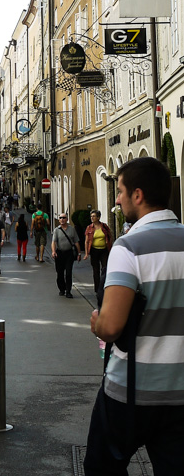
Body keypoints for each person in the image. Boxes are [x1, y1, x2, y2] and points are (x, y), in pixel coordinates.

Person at [84, 157, 184, 476]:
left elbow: (111, 327)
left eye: (120, 191)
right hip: (180, 391)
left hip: (131, 391)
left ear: (137, 195)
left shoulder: (129, 247)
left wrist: (97, 323)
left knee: (101, 468)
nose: (117, 199)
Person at [51, 213, 81, 298]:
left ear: (67, 219)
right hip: (59, 253)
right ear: (59, 220)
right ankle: (62, 289)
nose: (62, 219)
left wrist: (79, 253)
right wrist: (53, 251)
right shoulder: (57, 230)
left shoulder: (72, 229)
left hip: (69, 253)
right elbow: (54, 242)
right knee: (60, 273)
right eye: (60, 218)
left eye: (64, 218)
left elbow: (76, 242)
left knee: (68, 273)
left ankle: (68, 291)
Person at [83, 209, 112, 294]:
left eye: (94, 216)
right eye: (91, 216)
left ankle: (104, 286)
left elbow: (110, 236)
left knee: (104, 269)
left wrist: (109, 246)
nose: (92, 218)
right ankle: (97, 289)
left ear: (98, 217)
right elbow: (86, 241)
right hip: (94, 251)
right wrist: (86, 253)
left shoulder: (104, 226)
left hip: (104, 250)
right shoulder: (89, 228)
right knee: (96, 270)